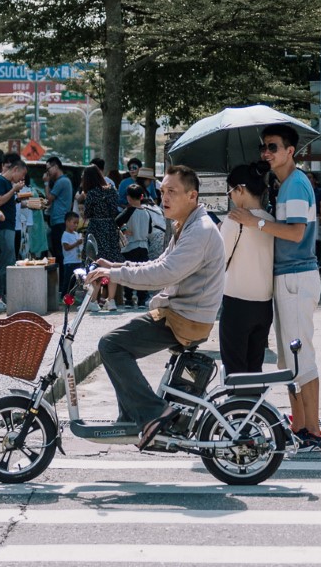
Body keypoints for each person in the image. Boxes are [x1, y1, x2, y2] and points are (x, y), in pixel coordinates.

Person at [88, 165, 225, 446]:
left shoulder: (199, 230)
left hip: (184, 318)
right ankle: (131, 419)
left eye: (172, 191)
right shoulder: (186, 224)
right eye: (162, 191)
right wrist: (116, 265)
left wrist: (114, 275)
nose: (164, 197)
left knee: (112, 345)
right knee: (115, 345)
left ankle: (153, 413)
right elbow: (158, 264)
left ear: (192, 196)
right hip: (179, 313)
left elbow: (163, 274)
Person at [259, 123, 321, 452]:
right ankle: (300, 425)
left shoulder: (295, 185)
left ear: (289, 152)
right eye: (264, 147)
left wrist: (256, 221)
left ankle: (312, 431)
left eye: (272, 147)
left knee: (300, 359)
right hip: (291, 276)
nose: (266, 153)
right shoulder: (287, 185)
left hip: (296, 276)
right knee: (289, 360)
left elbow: (296, 233)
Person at [219, 162, 275, 375]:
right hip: (264, 305)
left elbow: (220, 259)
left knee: (235, 369)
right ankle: (253, 407)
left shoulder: (235, 220)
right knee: (254, 368)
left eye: (231, 191)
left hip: (237, 302)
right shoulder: (271, 221)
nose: (231, 197)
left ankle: (238, 408)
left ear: (240, 189)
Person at [0, 153, 28, 311]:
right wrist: (14, 190)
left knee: (6, 260)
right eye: (21, 175)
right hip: (3, 227)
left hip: (9, 226)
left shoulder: (7, 183)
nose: (21, 180)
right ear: (15, 169)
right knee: (6, 261)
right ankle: (3, 295)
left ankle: (1, 294)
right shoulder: (0, 181)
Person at [80, 165, 123, 311]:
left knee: (95, 263)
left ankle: (93, 301)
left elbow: (88, 213)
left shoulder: (91, 193)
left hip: (96, 229)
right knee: (112, 264)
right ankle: (111, 301)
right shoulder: (112, 190)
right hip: (110, 229)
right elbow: (115, 209)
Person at [116, 183, 155, 308]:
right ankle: (142, 300)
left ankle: (128, 299)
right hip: (143, 247)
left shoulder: (129, 210)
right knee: (142, 273)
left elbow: (116, 222)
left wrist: (125, 229)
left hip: (130, 246)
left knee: (128, 272)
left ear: (128, 197)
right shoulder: (147, 212)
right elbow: (149, 231)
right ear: (142, 196)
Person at [43, 156, 73, 280]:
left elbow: (48, 199)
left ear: (55, 167)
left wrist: (45, 183)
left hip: (59, 221)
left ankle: (62, 283)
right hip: (59, 220)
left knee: (59, 254)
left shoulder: (61, 181)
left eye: (48, 169)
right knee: (58, 253)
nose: (47, 172)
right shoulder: (63, 181)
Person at [60, 212, 84, 281]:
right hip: (69, 262)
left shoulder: (76, 234)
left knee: (75, 281)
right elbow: (66, 247)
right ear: (67, 222)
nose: (76, 225)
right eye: (74, 223)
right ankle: (65, 292)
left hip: (77, 261)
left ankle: (71, 292)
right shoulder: (65, 235)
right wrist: (77, 243)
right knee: (68, 281)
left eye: (77, 223)